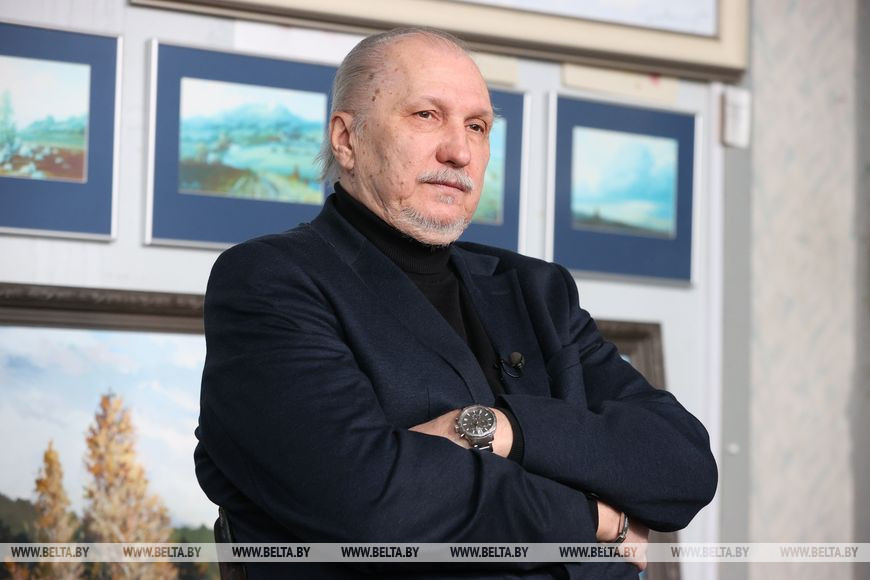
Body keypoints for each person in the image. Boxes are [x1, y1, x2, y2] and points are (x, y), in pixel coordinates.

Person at [194, 27, 717, 579]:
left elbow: (682, 466)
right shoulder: (270, 280)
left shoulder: (537, 291)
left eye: (477, 126)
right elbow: (372, 502)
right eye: (426, 115)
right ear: (346, 139)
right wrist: (594, 516)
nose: (459, 151)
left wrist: (501, 429)